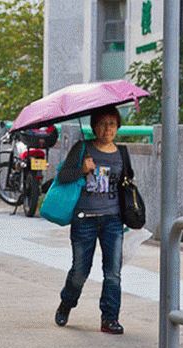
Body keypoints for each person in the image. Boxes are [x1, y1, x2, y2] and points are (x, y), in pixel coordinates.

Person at [53, 105, 130, 335]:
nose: (108, 129)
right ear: (94, 126)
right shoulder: (82, 148)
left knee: (113, 272)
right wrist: (82, 169)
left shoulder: (122, 152)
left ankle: (110, 318)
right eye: (103, 124)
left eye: (112, 124)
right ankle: (67, 302)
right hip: (84, 219)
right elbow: (62, 176)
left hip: (113, 220)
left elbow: (127, 183)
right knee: (80, 270)